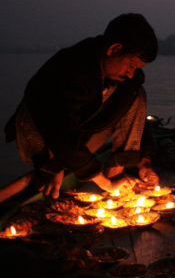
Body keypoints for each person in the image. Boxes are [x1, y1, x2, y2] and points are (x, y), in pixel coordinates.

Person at [4, 13, 159, 199]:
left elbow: (132, 113)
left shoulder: (114, 75)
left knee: (136, 93)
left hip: (75, 136)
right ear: (114, 49)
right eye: (131, 65)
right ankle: (60, 165)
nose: (131, 73)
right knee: (62, 144)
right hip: (40, 142)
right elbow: (60, 130)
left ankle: (115, 172)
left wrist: (144, 160)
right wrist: (103, 183)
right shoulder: (71, 70)